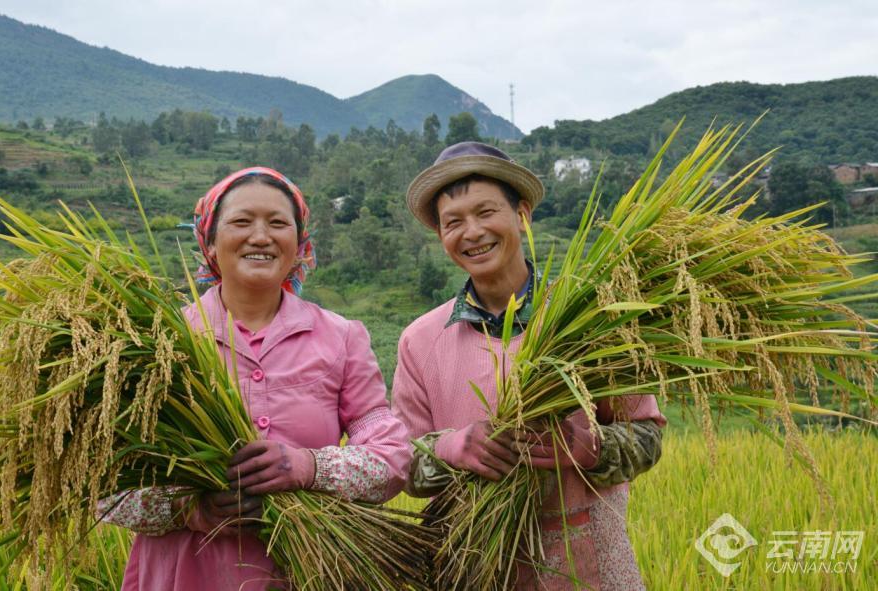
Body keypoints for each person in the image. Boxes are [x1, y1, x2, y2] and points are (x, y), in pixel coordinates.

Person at [99, 167, 411, 590]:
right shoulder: (157, 340)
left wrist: (308, 466)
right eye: (242, 222)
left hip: (305, 574)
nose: (261, 237)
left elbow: (392, 459)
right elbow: (102, 489)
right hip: (184, 574)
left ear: (299, 246)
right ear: (209, 241)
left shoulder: (341, 337)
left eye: (278, 223)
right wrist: (190, 509)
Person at [392, 142, 667, 590]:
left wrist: (585, 446)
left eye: (486, 212)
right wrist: (452, 449)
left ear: (522, 213)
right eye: (453, 222)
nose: (472, 232)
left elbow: (647, 436)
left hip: (588, 566)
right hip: (475, 569)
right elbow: (402, 463)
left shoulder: (589, 317)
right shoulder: (421, 340)